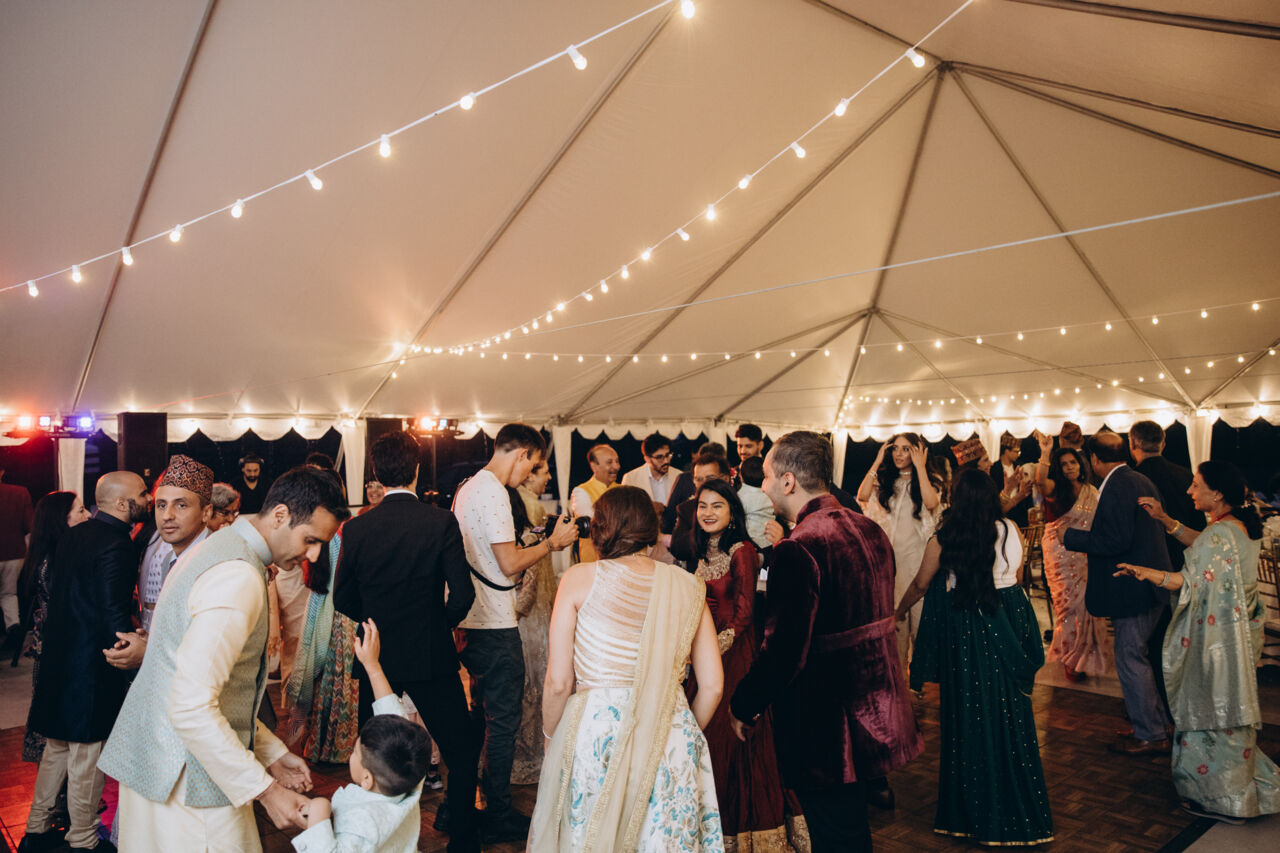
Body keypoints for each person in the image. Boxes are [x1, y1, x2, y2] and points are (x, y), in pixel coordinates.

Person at [98, 467, 348, 851]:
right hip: (185, 778)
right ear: (280, 515)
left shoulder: (218, 546)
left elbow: (211, 687)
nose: (314, 555)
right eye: (310, 540)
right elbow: (191, 704)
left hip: (162, 761)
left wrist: (271, 753)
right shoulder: (237, 574)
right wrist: (267, 791)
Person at [730, 431, 922, 853]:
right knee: (850, 827)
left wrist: (744, 704)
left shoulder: (799, 547)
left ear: (788, 481)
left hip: (827, 723)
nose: (763, 486)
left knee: (834, 834)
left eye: (767, 476)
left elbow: (784, 652)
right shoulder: (870, 529)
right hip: (876, 705)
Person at [528, 486, 725, 851]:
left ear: (600, 528)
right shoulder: (689, 586)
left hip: (598, 730)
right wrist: (680, 730)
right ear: (651, 529)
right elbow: (712, 686)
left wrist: (551, 738)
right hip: (671, 729)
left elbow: (558, 681)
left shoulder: (579, 579)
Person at [333, 430, 481, 853]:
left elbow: (342, 598)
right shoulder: (440, 521)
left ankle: (372, 837)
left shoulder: (357, 528)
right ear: (416, 469)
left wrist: (373, 625)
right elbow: (463, 595)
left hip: (376, 656)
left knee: (374, 751)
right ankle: (464, 840)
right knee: (460, 749)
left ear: (376, 473)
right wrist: (437, 624)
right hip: (430, 653)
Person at [895, 470, 1054, 846]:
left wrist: (897, 611)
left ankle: (971, 815)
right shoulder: (1011, 529)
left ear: (958, 499)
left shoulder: (946, 537)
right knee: (1010, 715)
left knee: (970, 715)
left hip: (968, 631)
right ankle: (1017, 809)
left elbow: (921, 584)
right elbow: (1014, 578)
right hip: (1008, 621)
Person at [1116, 460, 1280, 822]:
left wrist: (1145, 572)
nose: (1190, 490)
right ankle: (1239, 789)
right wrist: (1165, 520)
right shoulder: (1235, 527)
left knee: (1210, 709)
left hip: (1219, 642)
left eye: (1196, 485)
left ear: (1216, 493)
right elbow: (1203, 546)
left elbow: (1188, 581)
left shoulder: (1219, 535)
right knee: (1230, 709)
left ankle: (1219, 796)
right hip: (1239, 635)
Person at [452, 423, 577, 843]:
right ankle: (499, 813)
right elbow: (508, 564)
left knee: (481, 717)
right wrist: (553, 544)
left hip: (472, 622)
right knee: (503, 722)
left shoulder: (468, 487)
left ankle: (460, 804)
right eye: (534, 464)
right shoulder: (493, 492)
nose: (529, 474)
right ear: (522, 454)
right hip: (494, 623)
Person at [24, 472, 151, 852]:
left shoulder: (73, 535)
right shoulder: (117, 543)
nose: (149, 499)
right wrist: (131, 646)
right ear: (123, 503)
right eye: (143, 494)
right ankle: (82, 838)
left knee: (57, 750)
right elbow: (113, 610)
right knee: (87, 755)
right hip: (90, 667)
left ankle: (35, 830)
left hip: (59, 660)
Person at [689, 479, 806, 850]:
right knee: (702, 739)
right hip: (704, 654)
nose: (708, 513)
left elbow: (744, 613)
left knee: (730, 740)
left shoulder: (743, 551)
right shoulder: (700, 552)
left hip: (735, 652)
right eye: (703, 505)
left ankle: (741, 828)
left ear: (732, 512)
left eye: (717, 506)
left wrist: (712, 651)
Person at [1062, 432, 1173, 755]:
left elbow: (1114, 540)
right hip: (1148, 585)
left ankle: (1151, 734)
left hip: (1133, 587)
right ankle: (1153, 724)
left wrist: (1070, 536)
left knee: (1130, 658)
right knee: (1137, 656)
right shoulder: (1138, 479)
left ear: (1094, 459)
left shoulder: (1118, 485)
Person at [292, 619, 430, 853]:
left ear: (367, 778)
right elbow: (394, 717)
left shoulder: (361, 822)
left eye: (355, 752)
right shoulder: (410, 780)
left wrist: (319, 809)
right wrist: (372, 665)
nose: (351, 755)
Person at [855, 432, 941, 682]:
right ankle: (899, 683)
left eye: (906, 449)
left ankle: (918, 682)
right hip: (891, 565)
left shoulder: (929, 482)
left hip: (918, 564)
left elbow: (932, 503)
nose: (899, 454)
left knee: (919, 626)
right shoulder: (885, 482)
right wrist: (877, 459)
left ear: (918, 452)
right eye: (895, 449)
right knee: (896, 630)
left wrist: (920, 468)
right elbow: (862, 496)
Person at [18, 492, 91, 761]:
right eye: (80, 510)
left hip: (52, 649)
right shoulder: (60, 560)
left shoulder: (46, 555)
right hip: (62, 652)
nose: (88, 515)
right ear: (62, 519)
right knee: (62, 726)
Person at [1033, 432, 1111, 680]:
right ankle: (1069, 658)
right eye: (1064, 464)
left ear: (1080, 465)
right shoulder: (1055, 488)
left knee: (1087, 606)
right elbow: (1040, 480)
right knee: (1068, 609)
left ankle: (1085, 656)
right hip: (1061, 557)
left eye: (1073, 463)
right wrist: (1046, 452)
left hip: (1086, 554)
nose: (1069, 467)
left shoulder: (1090, 490)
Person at [511, 458, 558, 784]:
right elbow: (533, 564)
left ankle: (516, 754)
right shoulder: (531, 507)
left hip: (523, 604)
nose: (549, 477)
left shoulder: (520, 502)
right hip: (531, 606)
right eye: (544, 472)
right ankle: (534, 755)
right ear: (529, 477)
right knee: (535, 677)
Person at [135, 456, 215, 634]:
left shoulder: (216, 561)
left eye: (181, 505)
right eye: (161, 505)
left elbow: (212, 637)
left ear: (206, 512)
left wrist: (148, 649)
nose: (167, 516)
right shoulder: (169, 559)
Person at [668, 452, 733, 566]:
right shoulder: (686, 509)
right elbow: (678, 550)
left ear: (725, 478)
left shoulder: (736, 505)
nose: (704, 484)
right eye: (699, 479)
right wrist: (702, 524)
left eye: (710, 478)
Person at [0, 464, 35, 651]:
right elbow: (29, 527)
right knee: (9, 593)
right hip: (15, 553)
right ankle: (13, 627)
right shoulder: (20, 492)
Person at [620, 432, 681, 516]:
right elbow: (625, 511)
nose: (666, 461)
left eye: (667, 455)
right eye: (659, 457)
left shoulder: (679, 476)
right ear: (647, 459)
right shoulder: (631, 478)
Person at [991, 433, 1034, 524]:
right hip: (1002, 510)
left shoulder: (1020, 466)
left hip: (1019, 510)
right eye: (1016, 452)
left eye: (1019, 452)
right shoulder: (994, 468)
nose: (1018, 454)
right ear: (1007, 451)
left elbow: (1027, 487)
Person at [569, 443, 619, 518]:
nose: (616, 467)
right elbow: (591, 520)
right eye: (609, 462)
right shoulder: (581, 492)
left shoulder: (622, 489)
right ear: (594, 466)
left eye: (617, 461)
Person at [737, 456, 774, 551]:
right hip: (770, 542)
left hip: (749, 544)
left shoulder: (739, 497)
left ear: (741, 476)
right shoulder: (771, 495)